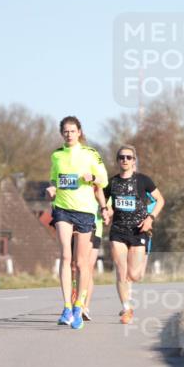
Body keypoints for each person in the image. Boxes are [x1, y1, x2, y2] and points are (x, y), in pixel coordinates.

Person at [48, 116, 108, 330]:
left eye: (72, 131)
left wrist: (92, 177)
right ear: (61, 133)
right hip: (62, 209)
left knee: (82, 263)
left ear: (80, 132)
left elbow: (104, 179)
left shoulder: (90, 154)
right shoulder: (56, 156)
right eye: (65, 131)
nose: (69, 134)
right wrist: (52, 188)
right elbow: (55, 179)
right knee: (65, 256)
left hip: (84, 211)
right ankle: (65, 307)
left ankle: (78, 307)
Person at [101, 145, 164, 324]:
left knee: (134, 275)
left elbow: (160, 200)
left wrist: (150, 218)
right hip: (118, 231)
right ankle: (126, 308)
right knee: (121, 272)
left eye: (129, 157)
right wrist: (105, 212)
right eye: (121, 157)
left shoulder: (143, 180)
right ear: (117, 160)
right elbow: (105, 203)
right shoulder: (112, 183)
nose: (125, 160)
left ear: (134, 160)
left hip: (139, 231)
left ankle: (144, 255)